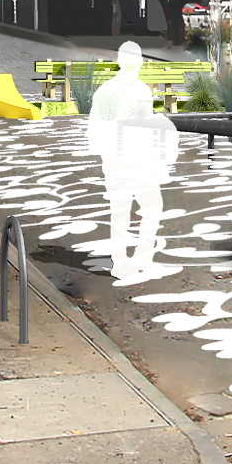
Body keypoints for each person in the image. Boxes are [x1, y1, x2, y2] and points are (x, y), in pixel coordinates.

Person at [85, 42, 181, 284]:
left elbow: (95, 131)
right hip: (139, 160)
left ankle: (120, 261)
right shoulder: (140, 90)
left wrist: (107, 153)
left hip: (115, 161)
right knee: (151, 207)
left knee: (120, 210)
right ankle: (142, 257)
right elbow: (144, 126)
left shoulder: (105, 90)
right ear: (138, 62)